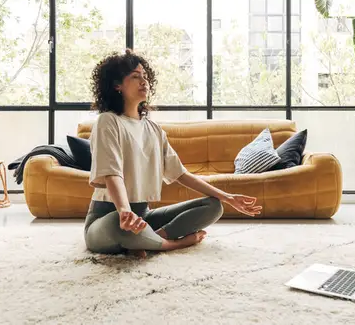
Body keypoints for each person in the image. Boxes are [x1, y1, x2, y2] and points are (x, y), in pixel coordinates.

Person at [84, 49, 262, 258]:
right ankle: (170, 244)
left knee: (213, 206)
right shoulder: (108, 121)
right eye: (135, 76)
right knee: (118, 224)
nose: (144, 81)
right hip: (108, 219)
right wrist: (124, 210)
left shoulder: (154, 130)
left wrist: (227, 196)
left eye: (145, 76)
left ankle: (153, 238)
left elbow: (181, 174)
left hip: (143, 216)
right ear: (117, 85)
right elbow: (112, 173)